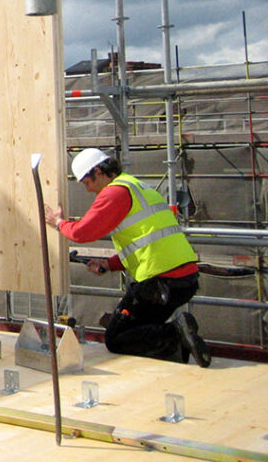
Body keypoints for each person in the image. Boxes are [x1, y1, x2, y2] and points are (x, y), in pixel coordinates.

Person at [44, 148, 211, 367]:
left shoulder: (115, 192)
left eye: (87, 182)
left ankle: (176, 333)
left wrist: (57, 222)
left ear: (98, 171)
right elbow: (144, 242)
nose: (88, 189)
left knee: (117, 338)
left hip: (160, 283)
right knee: (135, 330)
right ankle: (179, 342)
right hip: (183, 280)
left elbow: (81, 232)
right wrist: (109, 263)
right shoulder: (138, 187)